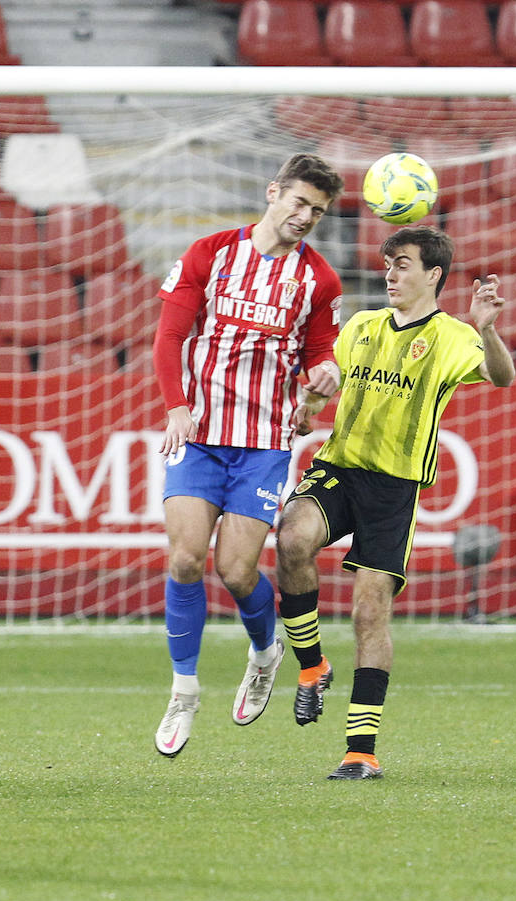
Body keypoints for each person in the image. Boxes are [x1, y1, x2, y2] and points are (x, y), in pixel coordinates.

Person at [275, 225, 515, 779]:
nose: (390, 273)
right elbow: (322, 376)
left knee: (368, 610)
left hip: (394, 489)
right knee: (291, 538)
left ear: (433, 275)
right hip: (338, 468)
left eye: (402, 264)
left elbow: (501, 377)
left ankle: (361, 751)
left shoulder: (455, 336)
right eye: (387, 264)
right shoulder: (360, 326)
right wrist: (311, 399)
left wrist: (488, 329)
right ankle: (312, 667)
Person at [151, 153, 345, 758]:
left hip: (263, 443)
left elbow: (320, 353)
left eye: (318, 210)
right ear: (273, 193)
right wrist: (176, 405)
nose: (306, 216)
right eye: (299, 202)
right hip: (201, 434)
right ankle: (184, 691)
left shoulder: (320, 280)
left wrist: (326, 377)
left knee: (236, 572)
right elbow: (169, 336)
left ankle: (266, 652)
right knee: (185, 560)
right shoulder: (209, 254)